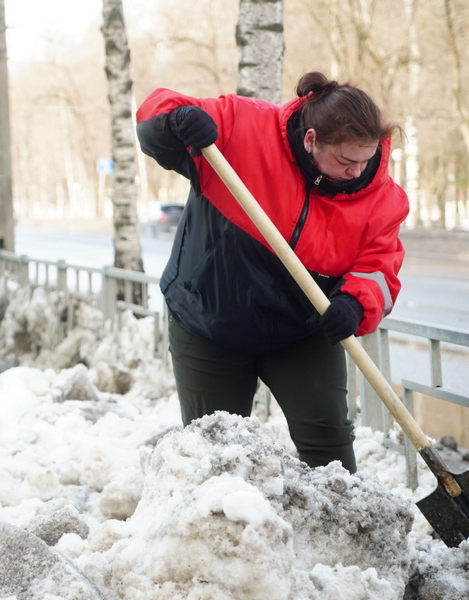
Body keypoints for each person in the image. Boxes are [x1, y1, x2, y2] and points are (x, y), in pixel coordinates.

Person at [135, 72, 409, 473]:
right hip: (208, 319)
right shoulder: (243, 128)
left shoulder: (382, 199)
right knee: (213, 454)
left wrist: (354, 304)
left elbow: (379, 267)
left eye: (367, 159)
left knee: (330, 452)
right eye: (347, 161)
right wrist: (176, 123)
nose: (358, 172)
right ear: (311, 139)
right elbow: (155, 113)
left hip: (304, 332)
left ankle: (344, 532)